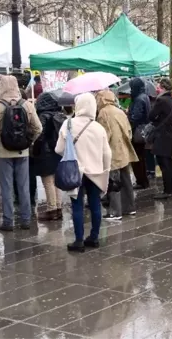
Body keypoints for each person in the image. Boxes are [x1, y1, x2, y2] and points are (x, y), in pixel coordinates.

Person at [55, 93, 111, 252]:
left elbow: (58, 149)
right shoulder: (98, 127)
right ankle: (94, 238)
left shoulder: (68, 124)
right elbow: (107, 153)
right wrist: (105, 170)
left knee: (77, 206)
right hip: (96, 172)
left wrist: (70, 153)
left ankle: (78, 240)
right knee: (95, 205)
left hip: (75, 172)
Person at [0, 75, 42, 231]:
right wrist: (28, 143)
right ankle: (25, 220)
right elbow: (38, 128)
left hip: (3, 153)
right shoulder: (27, 105)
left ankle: (8, 222)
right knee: (24, 186)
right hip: (22, 152)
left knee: (6, 188)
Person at [95, 90, 138, 220]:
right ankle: (129, 207)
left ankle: (115, 211)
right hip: (124, 150)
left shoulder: (103, 113)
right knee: (126, 180)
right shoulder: (119, 111)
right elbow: (129, 131)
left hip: (112, 151)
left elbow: (104, 134)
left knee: (114, 181)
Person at [32, 92, 67, 221]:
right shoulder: (60, 115)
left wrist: (35, 149)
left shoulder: (43, 116)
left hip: (45, 153)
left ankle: (51, 209)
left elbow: (39, 135)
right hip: (57, 151)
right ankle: (58, 207)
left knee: (48, 181)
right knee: (56, 181)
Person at [150, 78, 172, 200]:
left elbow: (151, 115)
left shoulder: (160, 100)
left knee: (164, 163)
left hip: (161, 135)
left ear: (163, 88)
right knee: (169, 163)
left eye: (158, 87)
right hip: (169, 133)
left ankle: (167, 191)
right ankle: (171, 189)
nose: (156, 89)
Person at [128, 78, 151, 190]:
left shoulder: (138, 99)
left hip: (137, 132)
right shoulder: (145, 96)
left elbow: (135, 117)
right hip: (144, 131)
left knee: (137, 158)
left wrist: (128, 115)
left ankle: (141, 181)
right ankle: (143, 180)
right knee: (142, 157)